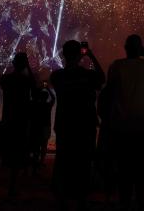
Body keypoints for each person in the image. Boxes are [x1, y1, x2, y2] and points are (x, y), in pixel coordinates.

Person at [50, 40, 105, 210]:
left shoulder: (57, 76)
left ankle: (61, 200)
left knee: (63, 163)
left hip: (65, 124)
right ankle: (81, 199)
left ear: (64, 55)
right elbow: (102, 78)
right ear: (79, 55)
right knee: (83, 164)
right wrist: (90, 54)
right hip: (84, 125)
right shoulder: (87, 76)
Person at [105, 34, 144, 211]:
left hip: (121, 124)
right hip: (142, 124)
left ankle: (124, 199)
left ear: (126, 48)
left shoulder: (117, 66)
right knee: (139, 165)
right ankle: (140, 200)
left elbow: (110, 91)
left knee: (123, 165)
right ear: (140, 49)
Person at [0, 52, 37, 196]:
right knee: (18, 155)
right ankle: (13, 187)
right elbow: (34, 90)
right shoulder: (26, 80)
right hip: (20, 121)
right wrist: (27, 67)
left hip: (8, 119)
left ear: (14, 63)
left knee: (5, 153)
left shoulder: (6, 79)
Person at [30, 83, 55, 172]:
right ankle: (41, 161)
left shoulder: (36, 104)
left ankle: (35, 160)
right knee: (44, 144)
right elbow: (53, 98)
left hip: (38, 126)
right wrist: (47, 88)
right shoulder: (47, 106)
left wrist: (41, 88)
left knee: (37, 144)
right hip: (46, 126)